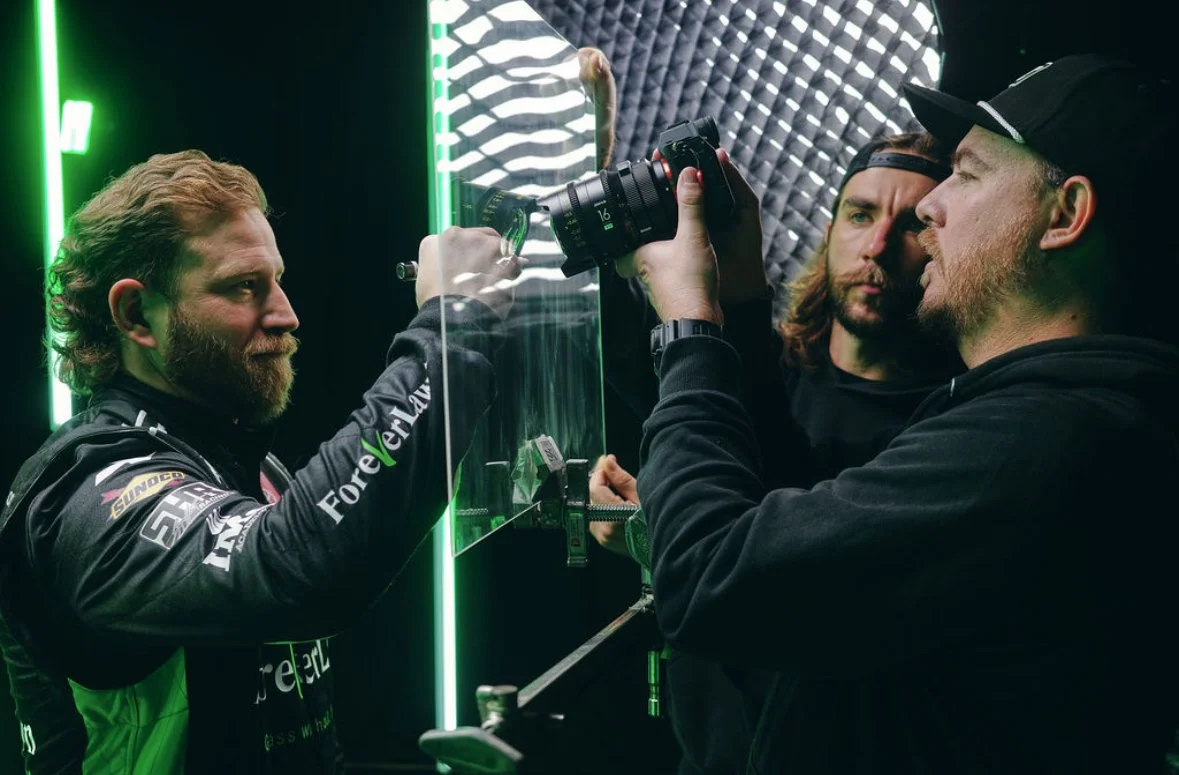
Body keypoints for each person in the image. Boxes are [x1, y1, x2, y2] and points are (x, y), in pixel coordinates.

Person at [623, 53, 1179, 774]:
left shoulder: (1043, 442)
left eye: (969, 173)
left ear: (1065, 214)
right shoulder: (1047, 417)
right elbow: (808, 559)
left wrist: (692, 330)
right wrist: (740, 301)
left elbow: (713, 581)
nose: (929, 206)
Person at [0, 150, 519, 774]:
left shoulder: (248, 462)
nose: (286, 315)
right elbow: (294, 566)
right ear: (136, 314)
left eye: (276, 280)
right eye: (244, 286)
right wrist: (451, 331)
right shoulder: (83, 492)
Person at [590, 130, 960, 774]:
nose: (875, 247)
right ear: (832, 225)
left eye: (909, 226)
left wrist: (664, 542)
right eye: (861, 214)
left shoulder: (953, 428)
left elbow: (794, 583)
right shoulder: (755, 371)